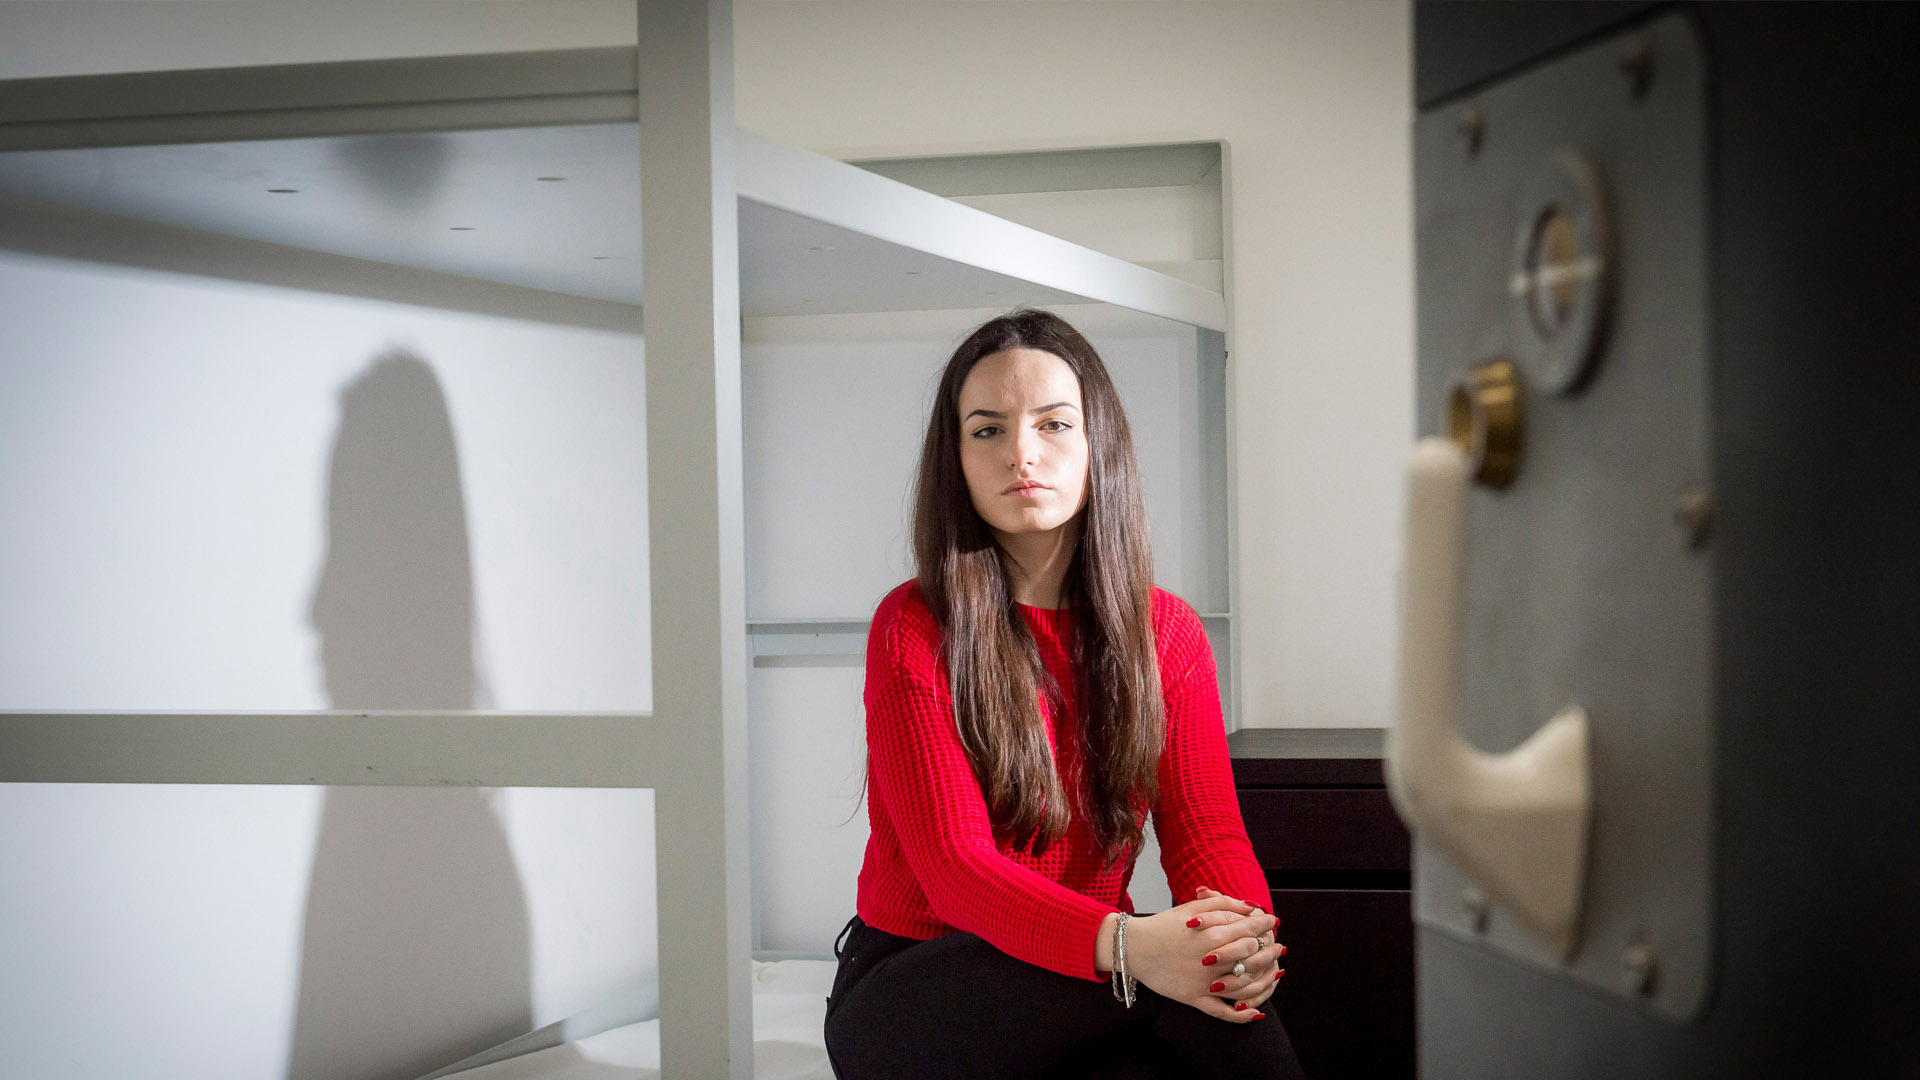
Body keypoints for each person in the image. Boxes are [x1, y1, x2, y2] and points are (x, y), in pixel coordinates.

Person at [824, 309, 1305, 1080]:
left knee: (1219, 1003)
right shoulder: (915, 625)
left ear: (1097, 444)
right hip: (916, 985)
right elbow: (956, 869)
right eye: (987, 430)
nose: (1022, 452)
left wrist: (1239, 942)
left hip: (1084, 978)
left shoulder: (1167, 633)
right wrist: (1134, 948)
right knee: (1164, 992)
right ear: (956, 458)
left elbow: (1206, 835)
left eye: (1053, 423)